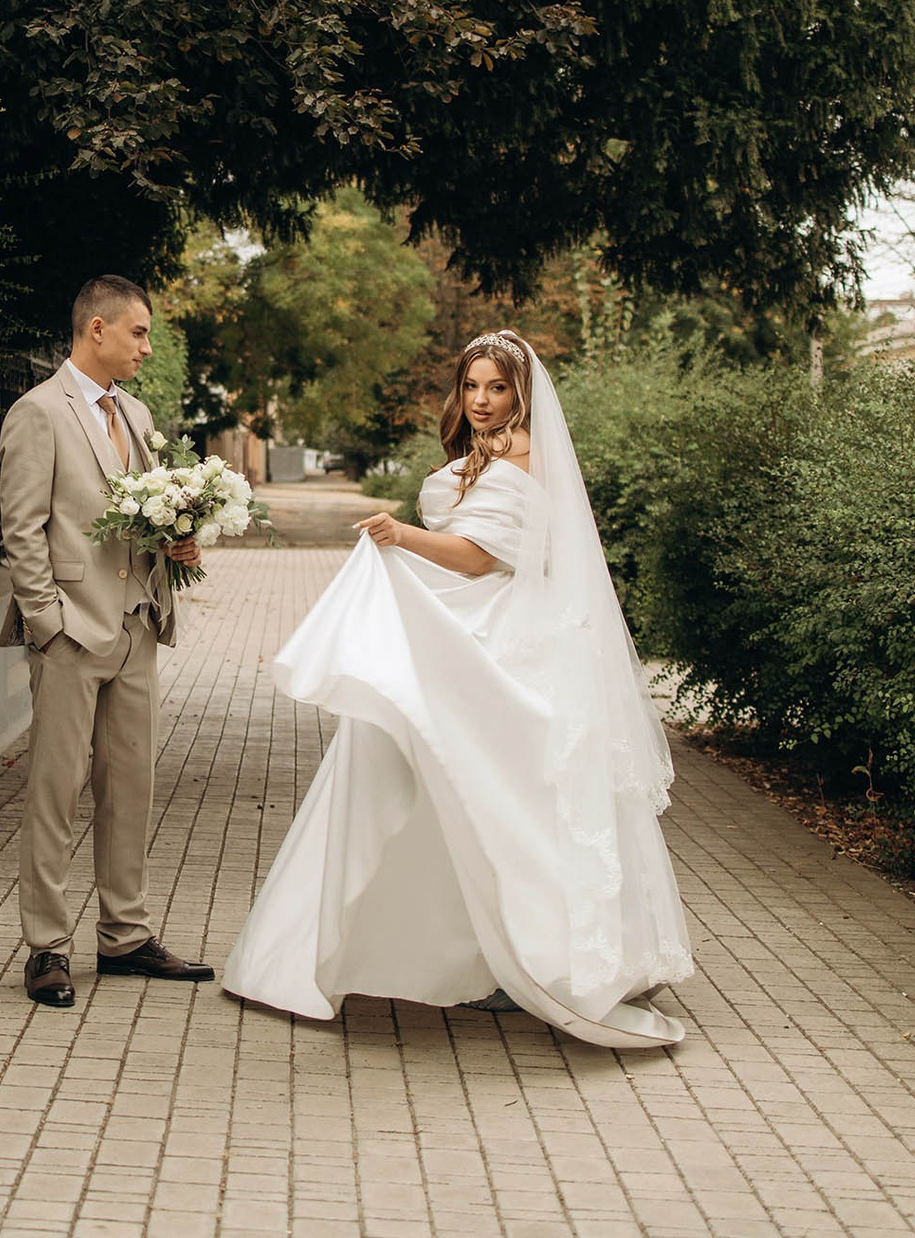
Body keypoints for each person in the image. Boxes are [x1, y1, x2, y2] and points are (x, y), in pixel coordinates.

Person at [220, 329, 694, 1046]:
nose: (480, 400)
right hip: (475, 633)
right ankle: (464, 950)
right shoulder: (475, 455)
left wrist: (401, 537)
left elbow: (477, 559)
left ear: (521, 393)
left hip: (517, 647)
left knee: (511, 796)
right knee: (446, 781)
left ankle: (544, 956)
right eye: (471, 386)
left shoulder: (528, 456)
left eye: (497, 388)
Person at [0, 276, 213, 1007]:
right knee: (55, 791)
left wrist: (179, 548)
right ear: (97, 329)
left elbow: (144, 517)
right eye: (139, 333)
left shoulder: (136, 411)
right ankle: (47, 946)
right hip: (71, 634)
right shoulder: (37, 413)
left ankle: (124, 934)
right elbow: (22, 530)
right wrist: (49, 623)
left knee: (131, 787)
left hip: (137, 626)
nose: (147, 347)